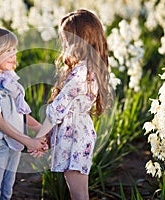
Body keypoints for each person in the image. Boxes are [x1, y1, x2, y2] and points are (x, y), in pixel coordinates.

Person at [31, 9, 113, 200]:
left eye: (67, 38)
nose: (64, 43)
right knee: (80, 192)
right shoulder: (92, 68)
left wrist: (39, 138)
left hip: (74, 136)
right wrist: (50, 137)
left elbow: (57, 110)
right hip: (80, 131)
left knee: (78, 194)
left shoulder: (79, 74)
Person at [0, 27, 46, 200]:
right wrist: (29, 141)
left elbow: (22, 114)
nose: (14, 55)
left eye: (14, 50)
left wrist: (43, 132)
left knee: (7, 191)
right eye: (8, 51)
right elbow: (0, 123)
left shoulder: (9, 80)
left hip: (15, 143)